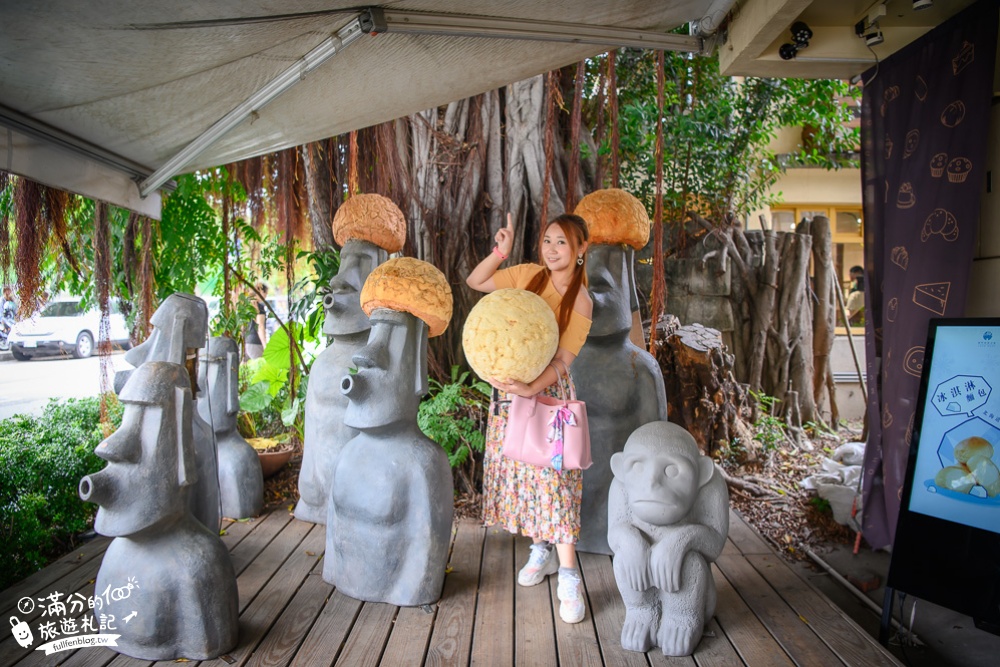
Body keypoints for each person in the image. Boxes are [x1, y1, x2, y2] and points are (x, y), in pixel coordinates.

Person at [465, 212, 593, 624]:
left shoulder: (582, 300)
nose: (552, 249)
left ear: (581, 250)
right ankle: (540, 549)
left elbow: (563, 360)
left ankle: (570, 574)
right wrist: (500, 250)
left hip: (550, 396)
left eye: (561, 243)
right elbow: (477, 282)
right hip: (512, 396)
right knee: (524, 473)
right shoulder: (527, 277)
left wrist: (531, 388)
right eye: (547, 240)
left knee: (554, 479)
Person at [244, 283, 269, 359]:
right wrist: (265, 345)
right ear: (260, 291)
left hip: (247, 342)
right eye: (265, 293)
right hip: (256, 342)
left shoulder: (246, 305)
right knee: (261, 368)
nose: (266, 295)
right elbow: (260, 326)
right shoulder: (259, 306)